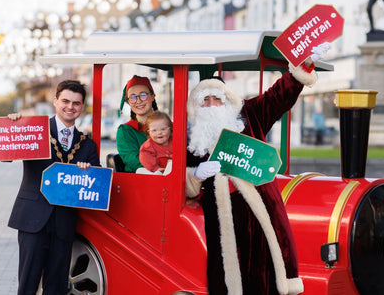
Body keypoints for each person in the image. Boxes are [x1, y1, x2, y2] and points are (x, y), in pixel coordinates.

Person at [185, 42, 330, 295]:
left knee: (265, 278)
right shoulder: (192, 141)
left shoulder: (250, 116)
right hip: (222, 223)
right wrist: (195, 175)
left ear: (226, 101)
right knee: (227, 280)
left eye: (215, 99)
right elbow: (176, 182)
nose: (210, 105)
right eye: (204, 101)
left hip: (260, 214)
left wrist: (302, 66)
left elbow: (278, 96)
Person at [7, 80, 101, 295]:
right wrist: (12, 126)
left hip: (64, 222)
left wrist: (88, 171)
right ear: (55, 101)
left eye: (76, 103)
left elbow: (96, 182)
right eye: (65, 101)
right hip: (33, 218)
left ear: (82, 106)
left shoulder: (87, 143)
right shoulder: (32, 130)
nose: (70, 107)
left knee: (57, 285)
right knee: (28, 284)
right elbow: (6, 154)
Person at [116, 75, 159, 173]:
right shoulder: (125, 130)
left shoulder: (169, 126)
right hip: (140, 181)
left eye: (143, 95)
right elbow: (133, 161)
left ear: (152, 97)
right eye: (133, 97)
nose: (138, 101)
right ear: (128, 102)